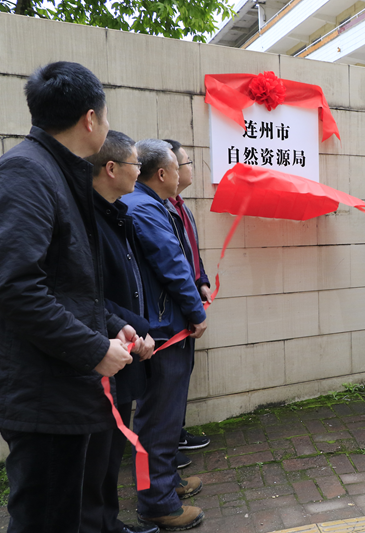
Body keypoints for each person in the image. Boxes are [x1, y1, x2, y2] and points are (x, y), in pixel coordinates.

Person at [0, 61, 135, 533]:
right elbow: (16, 288)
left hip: (66, 391)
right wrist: (94, 349)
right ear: (90, 119)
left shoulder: (58, 171)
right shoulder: (25, 172)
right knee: (45, 521)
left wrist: (108, 327)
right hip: (45, 398)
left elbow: (65, 285)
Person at [123, 139, 207, 530]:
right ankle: (158, 503)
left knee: (166, 418)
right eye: (179, 166)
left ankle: (167, 484)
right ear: (162, 174)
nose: (182, 172)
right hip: (162, 330)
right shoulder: (145, 209)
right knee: (158, 421)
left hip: (165, 326)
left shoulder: (155, 205)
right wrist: (195, 313)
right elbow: (173, 265)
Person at [83, 131, 158, 533]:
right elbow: (85, 294)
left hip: (125, 344)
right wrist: (133, 329)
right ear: (111, 169)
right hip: (100, 349)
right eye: (135, 164)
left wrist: (138, 330)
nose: (140, 171)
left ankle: (107, 522)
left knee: (112, 451)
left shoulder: (117, 214)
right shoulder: (86, 221)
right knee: (98, 454)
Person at [163, 139, 212, 468]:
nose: (192, 167)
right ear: (168, 170)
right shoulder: (156, 209)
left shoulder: (181, 206)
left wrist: (202, 281)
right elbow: (170, 263)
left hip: (190, 301)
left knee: (182, 374)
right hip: (171, 312)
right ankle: (164, 450)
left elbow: (192, 255)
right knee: (167, 383)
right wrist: (194, 309)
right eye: (187, 162)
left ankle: (175, 434)